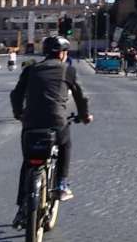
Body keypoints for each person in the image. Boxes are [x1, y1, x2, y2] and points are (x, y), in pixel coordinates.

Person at [10, 35, 92, 228]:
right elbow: (81, 97)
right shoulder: (68, 70)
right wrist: (85, 115)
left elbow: (16, 94)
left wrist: (18, 113)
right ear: (63, 54)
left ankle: (22, 207)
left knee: (28, 163)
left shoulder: (30, 69)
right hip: (56, 121)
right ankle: (62, 184)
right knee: (66, 144)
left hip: (30, 123)